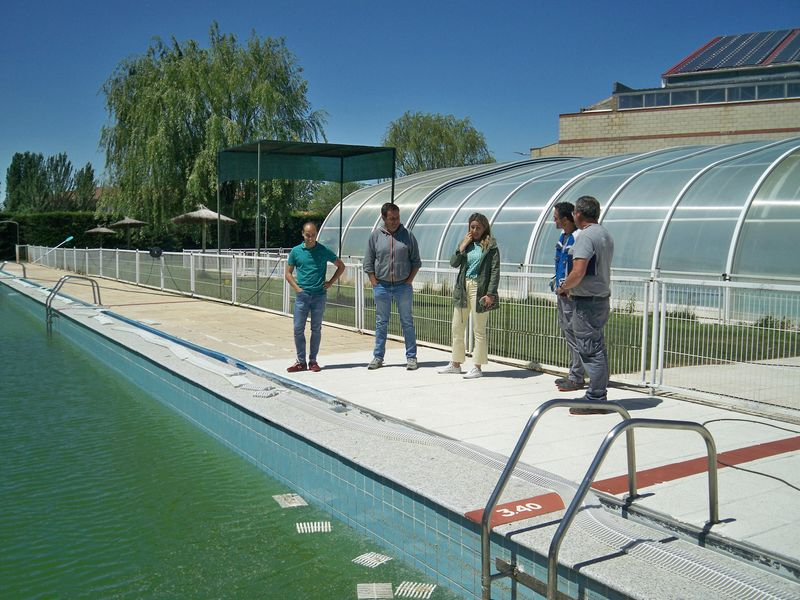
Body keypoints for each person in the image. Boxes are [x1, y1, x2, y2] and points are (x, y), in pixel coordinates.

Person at [556, 196, 615, 415]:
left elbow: (578, 271)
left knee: (590, 351)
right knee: (597, 348)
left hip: (587, 302)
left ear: (578, 214)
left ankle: (596, 398)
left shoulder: (585, 236)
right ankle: (598, 393)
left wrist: (564, 287)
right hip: (600, 299)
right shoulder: (604, 234)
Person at [439, 213, 500, 379]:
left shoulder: (491, 246)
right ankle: (455, 364)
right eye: (472, 227)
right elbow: (454, 263)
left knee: (479, 329)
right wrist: (462, 246)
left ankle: (477, 367)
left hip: (480, 289)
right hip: (463, 288)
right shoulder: (466, 243)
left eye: (478, 227)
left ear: (485, 228)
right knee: (457, 327)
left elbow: (495, 271)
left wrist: (490, 294)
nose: (475, 230)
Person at [363, 202, 421, 370]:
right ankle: (378, 357)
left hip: (403, 287)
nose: (395, 221)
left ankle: (411, 357)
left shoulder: (408, 236)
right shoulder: (375, 236)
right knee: (381, 322)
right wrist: (374, 283)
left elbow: (416, 261)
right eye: (391, 218)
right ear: (384, 218)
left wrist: (409, 281)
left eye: (397, 218)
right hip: (381, 286)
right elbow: (368, 263)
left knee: (407, 322)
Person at [284, 222, 345, 373]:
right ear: (302, 234)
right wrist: (297, 289)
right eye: (307, 235)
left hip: (319, 296)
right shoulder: (296, 251)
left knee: (316, 329)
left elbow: (341, 266)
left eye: (313, 235)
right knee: (298, 329)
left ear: (316, 234)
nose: (310, 238)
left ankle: (313, 361)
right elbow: (288, 273)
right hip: (302, 296)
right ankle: (300, 361)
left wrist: (330, 282)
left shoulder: (323, 250)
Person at [551, 202, 586, 392]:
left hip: (571, 293)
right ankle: (574, 371)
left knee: (574, 333)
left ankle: (577, 376)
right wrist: (556, 281)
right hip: (562, 291)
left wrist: (566, 286)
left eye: (556, 217)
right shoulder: (563, 237)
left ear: (565, 219)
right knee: (567, 331)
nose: (554, 221)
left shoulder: (577, 237)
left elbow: (575, 267)